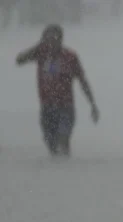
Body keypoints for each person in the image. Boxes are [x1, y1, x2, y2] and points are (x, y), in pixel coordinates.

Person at [16, 24, 99, 157]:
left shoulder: (70, 57)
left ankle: (66, 171)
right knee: (52, 146)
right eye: (47, 38)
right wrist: (37, 46)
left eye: (54, 38)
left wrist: (92, 104)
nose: (51, 42)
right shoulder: (41, 53)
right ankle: (56, 173)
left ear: (61, 39)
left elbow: (83, 81)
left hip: (65, 107)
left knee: (63, 140)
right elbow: (19, 60)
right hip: (47, 108)